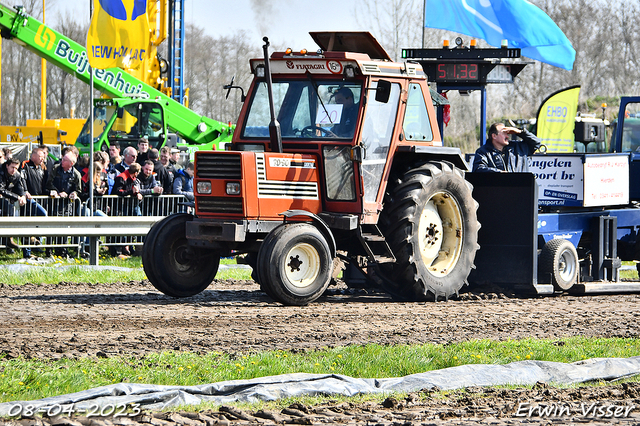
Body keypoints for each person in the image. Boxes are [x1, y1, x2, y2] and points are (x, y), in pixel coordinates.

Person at [472, 123, 541, 173]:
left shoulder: (518, 147)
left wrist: (520, 132)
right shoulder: (483, 152)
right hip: (497, 191)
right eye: (504, 133)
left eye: (508, 133)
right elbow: (478, 169)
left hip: (521, 190)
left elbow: (537, 143)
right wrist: (500, 173)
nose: (507, 136)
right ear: (494, 136)